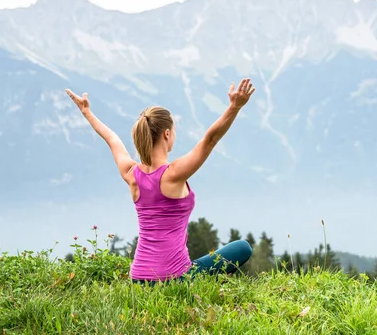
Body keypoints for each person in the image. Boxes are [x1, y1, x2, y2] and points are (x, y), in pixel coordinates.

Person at [65, 78, 256, 285]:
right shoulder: (173, 174)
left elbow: (112, 139)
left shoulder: (131, 174)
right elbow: (210, 139)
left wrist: (87, 113)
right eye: (173, 131)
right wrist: (234, 107)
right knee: (242, 248)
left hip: (138, 278)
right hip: (174, 278)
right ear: (167, 134)